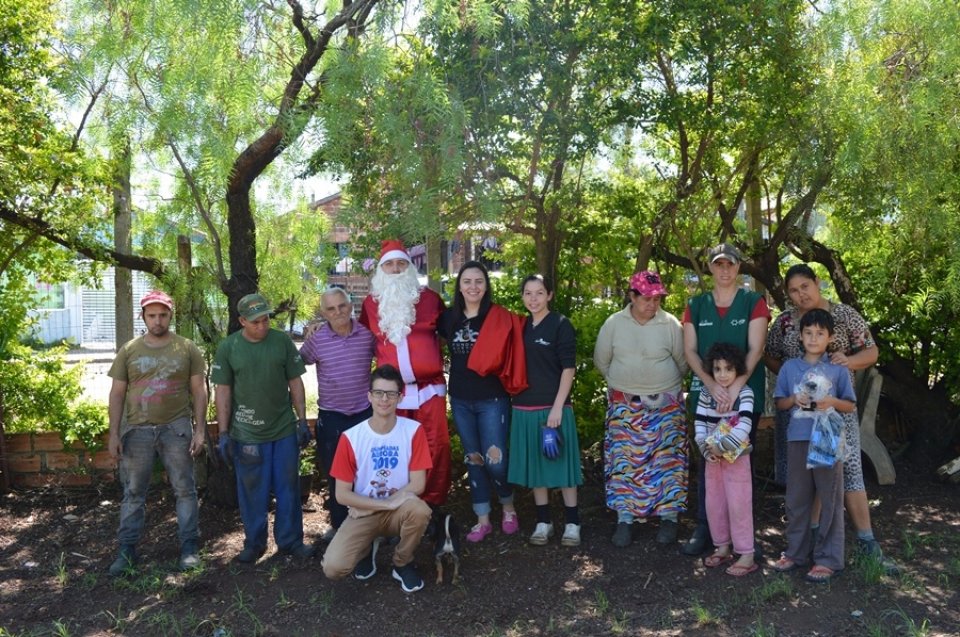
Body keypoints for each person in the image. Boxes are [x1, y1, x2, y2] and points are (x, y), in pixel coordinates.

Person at [764, 263, 898, 574]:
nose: (801, 295)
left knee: (846, 473)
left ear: (818, 282)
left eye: (805, 287)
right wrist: (791, 376)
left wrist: (847, 361)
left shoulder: (844, 315)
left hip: (836, 413)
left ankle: (867, 543)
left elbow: (872, 351)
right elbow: (769, 353)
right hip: (798, 416)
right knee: (802, 482)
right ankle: (806, 544)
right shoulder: (784, 322)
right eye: (794, 291)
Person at [107, 290, 207, 576]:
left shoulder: (186, 348)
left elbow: (199, 391)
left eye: (163, 314)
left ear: (170, 316)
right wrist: (114, 433)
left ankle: (189, 548)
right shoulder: (129, 350)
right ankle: (127, 551)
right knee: (134, 492)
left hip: (176, 429)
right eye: (152, 315)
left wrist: (200, 431)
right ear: (143, 316)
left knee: (185, 489)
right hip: (137, 430)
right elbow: (116, 394)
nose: (158, 320)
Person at [212, 293, 315, 563]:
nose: (262, 325)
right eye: (256, 321)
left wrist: (302, 420)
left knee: (288, 488)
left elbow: (295, 382)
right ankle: (254, 543)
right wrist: (223, 433)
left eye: (266, 319)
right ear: (242, 321)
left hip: (282, 430)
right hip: (246, 433)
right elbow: (222, 391)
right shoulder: (229, 347)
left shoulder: (281, 341)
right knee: (252, 492)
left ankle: (291, 541)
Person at [681, 242, 770, 556]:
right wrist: (710, 385)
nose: (724, 269)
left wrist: (734, 389)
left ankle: (743, 535)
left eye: (730, 264)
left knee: (739, 464)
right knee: (709, 461)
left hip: (744, 395)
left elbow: (755, 349)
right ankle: (707, 529)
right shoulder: (696, 305)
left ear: (738, 268)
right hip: (707, 396)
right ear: (710, 267)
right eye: (718, 264)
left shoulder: (753, 302)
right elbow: (690, 350)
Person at [593, 271, 689, 547]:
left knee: (667, 463)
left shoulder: (670, 324)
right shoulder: (614, 324)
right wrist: (628, 383)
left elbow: (683, 363)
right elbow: (602, 361)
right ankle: (625, 519)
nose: (652, 303)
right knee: (625, 465)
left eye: (657, 298)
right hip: (626, 407)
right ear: (632, 296)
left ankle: (669, 519)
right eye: (646, 298)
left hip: (665, 407)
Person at [321, 365, 433, 593]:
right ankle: (365, 550)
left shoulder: (413, 430)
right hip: (364, 512)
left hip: (399, 510)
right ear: (369, 396)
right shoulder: (351, 438)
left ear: (400, 398)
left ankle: (402, 563)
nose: (385, 399)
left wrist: (389, 504)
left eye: (391, 393)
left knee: (420, 511)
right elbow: (342, 495)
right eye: (379, 393)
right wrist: (378, 506)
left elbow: (418, 484)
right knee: (333, 568)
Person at [439, 261, 526, 542]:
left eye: (479, 281)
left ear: (486, 285)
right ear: (459, 285)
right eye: (467, 281)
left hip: (493, 398)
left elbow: (523, 344)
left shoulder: (498, 316)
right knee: (473, 459)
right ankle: (482, 518)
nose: (473, 286)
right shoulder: (448, 319)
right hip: (461, 398)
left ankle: (509, 506)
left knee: (495, 460)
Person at [359, 240, 450, 508]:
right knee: (395, 450)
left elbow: (445, 336)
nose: (396, 269)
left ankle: (432, 506)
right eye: (389, 264)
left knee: (436, 447)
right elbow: (362, 338)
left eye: (401, 263)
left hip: (428, 389)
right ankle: (397, 506)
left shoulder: (430, 299)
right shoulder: (370, 305)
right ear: (380, 270)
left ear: (410, 267)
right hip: (392, 394)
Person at [772, 309, 856, 583]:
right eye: (808, 332)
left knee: (830, 497)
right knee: (796, 497)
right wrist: (794, 398)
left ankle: (828, 558)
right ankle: (795, 553)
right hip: (798, 437)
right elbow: (780, 402)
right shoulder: (789, 368)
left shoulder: (837, 369)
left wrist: (830, 402)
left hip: (828, 438)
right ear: (800, 335)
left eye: (820, 333)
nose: (813, 338)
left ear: (830, 337)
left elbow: (850, 404)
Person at [508, 275, 583, 546]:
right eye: (528, 293)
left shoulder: (561, 325)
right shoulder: (520, 326)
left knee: (563, 468)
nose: (533, 299)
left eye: (539, 293)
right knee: (536, 469)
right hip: (523, 407)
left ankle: (573, 523)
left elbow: (568, 368)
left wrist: (558, 407)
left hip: (554, 408)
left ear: (549, 295)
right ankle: (544, 522)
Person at [299, 287, 376, 541]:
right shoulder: (317, 339)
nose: (338, 312)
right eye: (331, 308)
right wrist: (306, 332)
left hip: (364, 415)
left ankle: (369, 525)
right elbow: (299, 363)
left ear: (350, 305)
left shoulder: (367, 335)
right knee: (336, 474)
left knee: (366, 474)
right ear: (323, 312)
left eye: (342, 306)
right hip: (331, 417)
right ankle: (340, 526)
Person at [694, 342, 757, 577]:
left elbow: (745, 426)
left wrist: (722, 447)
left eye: (728, 369)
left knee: (739, 503)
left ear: (737, 370)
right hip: (712, 459)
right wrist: (706, 448)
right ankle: (721, 546)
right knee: (715, 503)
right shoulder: (704, 394)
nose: (722, 374)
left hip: (736, 459)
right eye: (717, 369)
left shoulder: (745, 393)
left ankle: (746, 553)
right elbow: (700, 423)